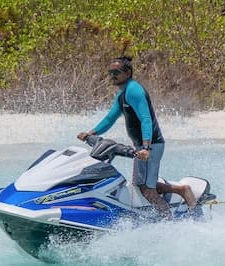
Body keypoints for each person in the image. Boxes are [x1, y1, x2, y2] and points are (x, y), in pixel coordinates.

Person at [77, 56, 197, 217]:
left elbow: (146, 119)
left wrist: (147, 147)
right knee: (140, 185)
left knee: (147, 190)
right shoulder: (123, 94)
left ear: (127, 72)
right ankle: (180, 191)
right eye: (110, 72)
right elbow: (110, 118)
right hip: (142, 147)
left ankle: (169, 219)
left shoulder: (134, 90)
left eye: (116, 72)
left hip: (151, 146)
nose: (112, 75)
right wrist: (91, 133)